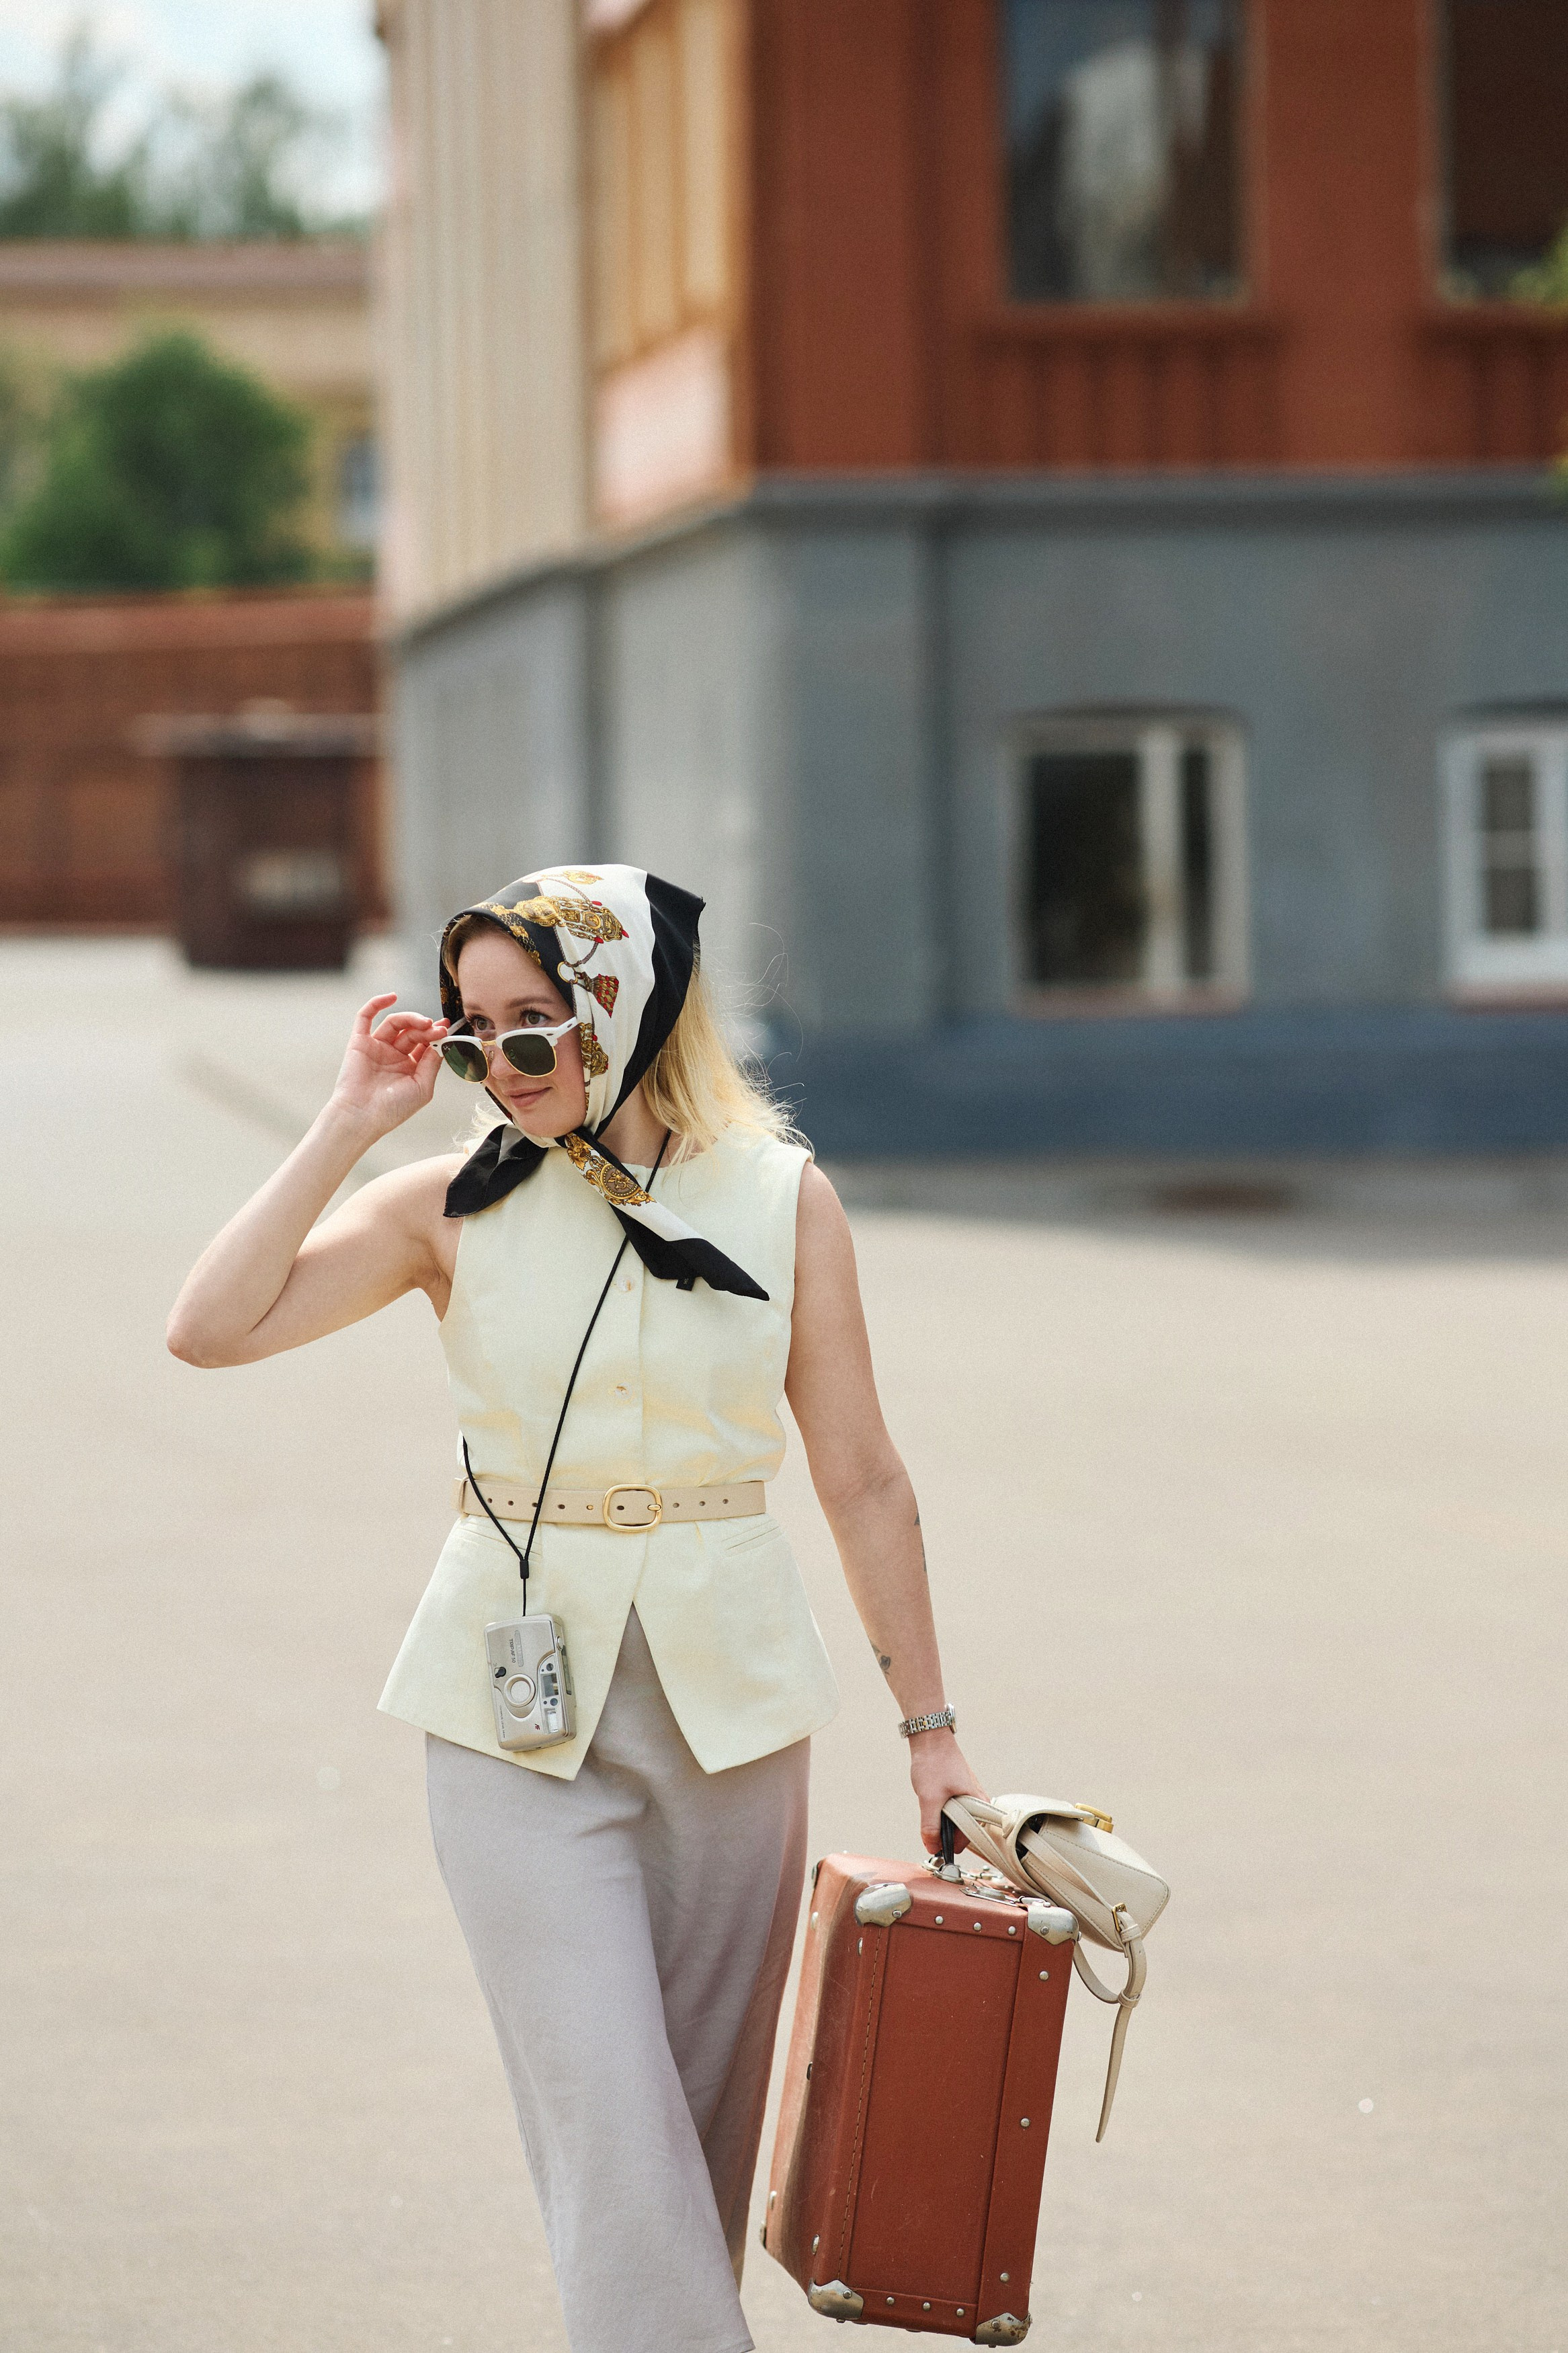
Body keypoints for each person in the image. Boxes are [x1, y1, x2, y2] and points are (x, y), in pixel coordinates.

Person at [167, 864, 982, 2353]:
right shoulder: (445, 1204)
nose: (498, 1064)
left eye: (530, 1028)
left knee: (692, 2149)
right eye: (473, 1035)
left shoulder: (780, 1196)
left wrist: (934, 1734)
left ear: (626, 1009)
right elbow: (207, 1328)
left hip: (729, 1715)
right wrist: (352, 1119)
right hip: (507, 1721)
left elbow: (863, 1480)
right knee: (611, 2124)